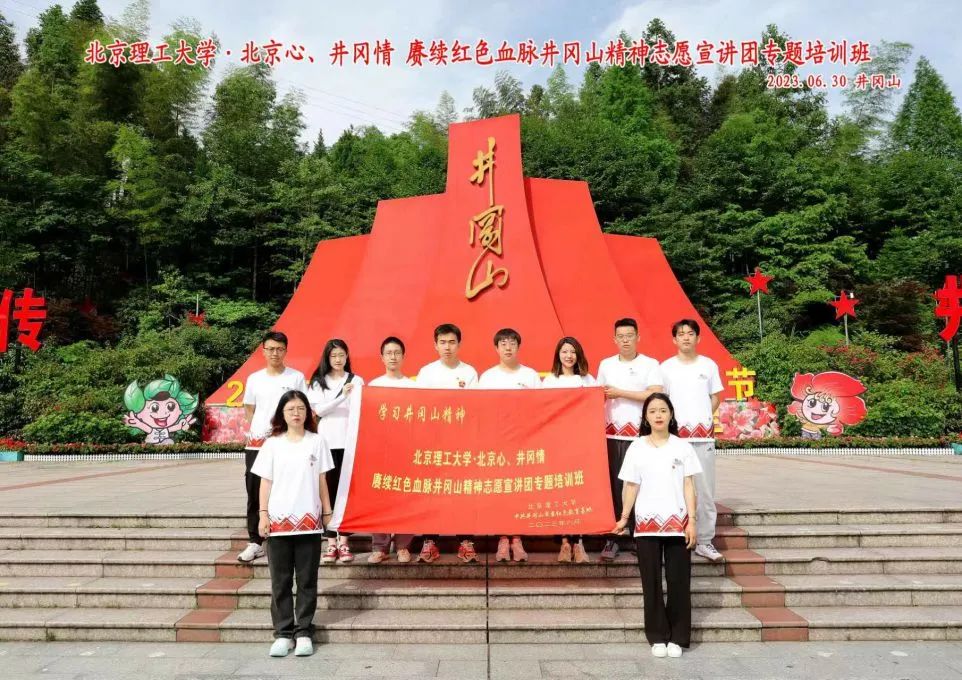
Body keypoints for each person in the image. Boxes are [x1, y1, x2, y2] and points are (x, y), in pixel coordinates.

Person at [612, 393, 700, 659]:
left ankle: (679, 637)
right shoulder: (637, 447)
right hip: (646, 526)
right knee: (650, 583)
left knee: (678, 582)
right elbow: (631, 485)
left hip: (678, 525)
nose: (658, 415)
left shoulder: (682, 447)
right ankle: (657, 636)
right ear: (645, 418)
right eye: (652, 411)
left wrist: (692, 521)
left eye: (663, 410)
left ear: (671, 414)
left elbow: (689, 486)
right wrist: (624, 517)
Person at [252, 389, 334, 658]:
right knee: (281, 582)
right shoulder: (272, 444)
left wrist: (327, 512)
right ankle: (283, 633)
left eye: (300, 408)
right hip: (278, 523)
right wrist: (263, 514)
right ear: (282, 414)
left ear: (307, 412)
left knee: (307, 580)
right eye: (290, 409)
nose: (296, 413)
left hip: (309, 522)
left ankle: (304, 632)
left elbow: (322, 480)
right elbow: (265, 482)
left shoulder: (317, 441)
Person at [596, 318, 663, 562]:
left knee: (641, 484)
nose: (625, 340)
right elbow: (596, 396)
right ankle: (613, 536)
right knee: (615, 486)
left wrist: (620, 392)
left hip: (641, 435)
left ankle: (639, 535)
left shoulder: (650, 364)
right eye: (621, 336)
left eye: (629, 335)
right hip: (612, 434)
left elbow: (655, 394)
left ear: (638, 337)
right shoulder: (606, 364)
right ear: (614, 339)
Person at [238, 331, 308, 563]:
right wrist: (261, 431)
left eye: (279, 349)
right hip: (258, 445)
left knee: (286, 487)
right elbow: (250, 409)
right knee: (254, 490)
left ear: (286, 351)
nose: (275, 353)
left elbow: (302, 408)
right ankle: (255, 541)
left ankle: (285, 534)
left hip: (287, 442)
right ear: (263, 351)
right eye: (270, 349)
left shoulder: (296, 377)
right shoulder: (254, 379)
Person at [660, 319, 725, 562]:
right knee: (674, 488)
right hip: (675, 439)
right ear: (674, 339)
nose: (686, 337)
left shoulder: (708, 365)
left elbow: (715, 397)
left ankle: (705, 541)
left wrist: (703, 418)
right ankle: (676, 537)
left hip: (702, 438)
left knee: (705, 490)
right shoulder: (665, 368)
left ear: (698, 338)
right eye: (681, 334)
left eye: (690, 333)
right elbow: (661, 402)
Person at [414, 323, 479, 563]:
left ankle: (466, 541)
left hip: (461, 442)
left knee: (463, 490)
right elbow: (420, 406)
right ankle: (430, 541)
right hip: (433, 442)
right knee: (432, 491)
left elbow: (475, 408)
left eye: (452, 342)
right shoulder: (426, 373)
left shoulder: (469, 372)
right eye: (442, 342)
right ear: (435, 345)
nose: (447, 347)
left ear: (459, 344)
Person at [477, 328, 540, 562]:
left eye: (512, 343)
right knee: (500, 491)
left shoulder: (531, 375)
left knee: (520, 491)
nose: (508, 347)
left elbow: (542, 407)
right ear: (496, 348)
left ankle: (517, 538)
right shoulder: (487, 377)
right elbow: (480, 411)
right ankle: (503, 538)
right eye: (503, 343)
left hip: (524, 443)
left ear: (518, 347)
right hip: (496, 444)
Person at [307, 339, 365, 564]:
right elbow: (320, 410)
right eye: (334, 356)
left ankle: (345, 541)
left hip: (350, 443)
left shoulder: (356, 380)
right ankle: (331, 541)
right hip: (327, 443)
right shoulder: (318, 382)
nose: (338, 359)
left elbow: (361, 409)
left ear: (347, 356)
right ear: (327, 358)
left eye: (341, 355)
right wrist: (342, 395)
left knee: (347, 493)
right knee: (328, 491)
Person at [541, 336, 595, 563]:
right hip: (557, 443)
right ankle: (564, 542)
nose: (569, 356)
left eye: (572, 351)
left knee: (580, 491)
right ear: (558, 355)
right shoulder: (549, 381)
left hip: (582, 442)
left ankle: (579, 542)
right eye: (564, 351)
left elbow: (594, 408)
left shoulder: (588, 380)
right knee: (560, 491)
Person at [367, 336, 416, 564]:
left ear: (403, 357)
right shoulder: (373, 386)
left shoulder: (413, 387)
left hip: (406, 448)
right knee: (380, 497)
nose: (393, 357)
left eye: (397, 353)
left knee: (406, 497)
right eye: (389, 353)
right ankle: (380, 546)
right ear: (382, 357)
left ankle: (404, 546)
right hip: (381, 449)